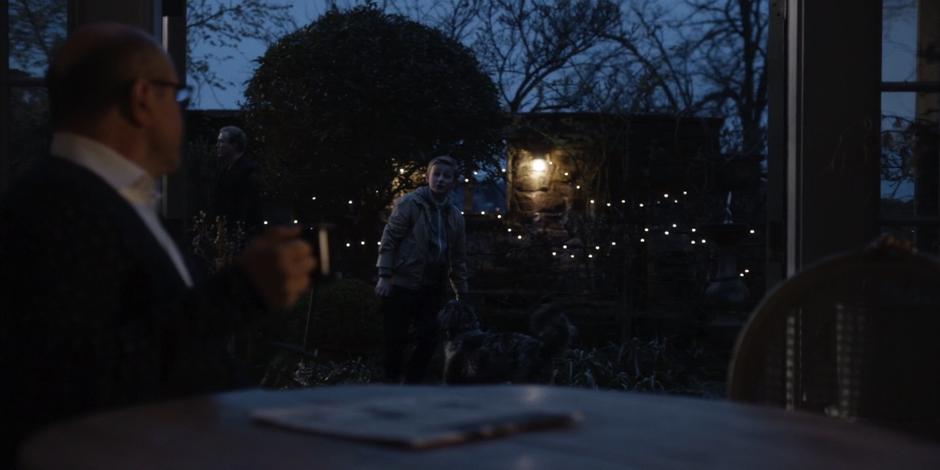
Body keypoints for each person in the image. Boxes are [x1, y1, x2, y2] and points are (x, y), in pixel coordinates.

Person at [0, 23, 315, 464]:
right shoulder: (59, 206)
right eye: (178, 96)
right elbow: (71, 377)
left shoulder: (110, 199)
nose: (182, 114)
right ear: (143, 98)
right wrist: (241, 292)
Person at [375, 155, 469, 383]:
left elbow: (458, 256)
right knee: (394, 340)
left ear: (453, 182)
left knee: (429, 338)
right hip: (402, 283)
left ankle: (413, 385)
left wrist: (461, 290)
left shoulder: (455, 216)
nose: (441, 179)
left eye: (447, 176)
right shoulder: (410, 204)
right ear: (428, 177)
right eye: (436, 174)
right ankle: (389, 386)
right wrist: (384, 276)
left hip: (432, 285)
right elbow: (389, 239)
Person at [212, 125, 263, 233]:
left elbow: (249, 206)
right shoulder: (225, 170)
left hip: (243, 233)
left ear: (234, 145)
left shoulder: (249, 170)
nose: (218, 145)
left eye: (221, 142)